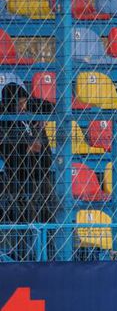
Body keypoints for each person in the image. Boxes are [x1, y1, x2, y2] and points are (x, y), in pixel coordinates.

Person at [0, 84, 54, 261]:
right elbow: (16, 149)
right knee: (28, 221)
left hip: (41, 174)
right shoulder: (5, 121)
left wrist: (33, 107)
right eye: (20, 103)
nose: (24, 106)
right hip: (21, 179)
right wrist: (35, 136)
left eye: (25, 102)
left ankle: (50, 255)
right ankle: (29, 258)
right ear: (10, 103)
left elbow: (51, 106)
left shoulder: (30, 114)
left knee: (50, 216)